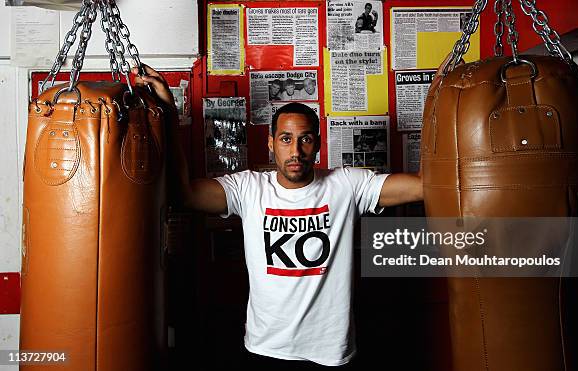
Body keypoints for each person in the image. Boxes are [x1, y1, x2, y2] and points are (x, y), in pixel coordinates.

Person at [133, 65, 423, 369]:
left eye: (305, 139)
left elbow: (421, 188)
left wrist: (436, 104)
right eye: (285, 139)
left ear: (318, 144)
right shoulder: (248, 188)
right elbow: (186, 195)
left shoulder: (347, 185)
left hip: (330, 350)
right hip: (266, 347)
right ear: (271, 144)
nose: (295, 150)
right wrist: (168, 110)